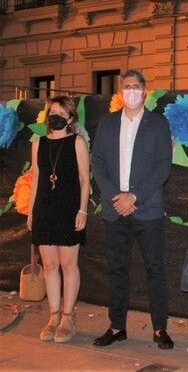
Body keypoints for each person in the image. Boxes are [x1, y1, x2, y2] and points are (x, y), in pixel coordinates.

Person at [92, 69, 174, 349]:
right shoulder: (107, 123)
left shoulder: (158, 124)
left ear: (145, 90)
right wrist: (116, 196)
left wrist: (134, 196)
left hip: (147, 209)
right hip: (115, 208)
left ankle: (160, 328)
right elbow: (98, 162)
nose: (131, 91)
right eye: (126, 86)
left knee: (155, 269)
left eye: (136, 86)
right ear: (120, 91)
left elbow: (163, 166)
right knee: (117, 269)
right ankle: (117, 327)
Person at [27, 96, 90, 343]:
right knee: (50, 265)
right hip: (44, 209)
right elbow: (36, 179)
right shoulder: (38, 144)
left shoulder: (77, 142)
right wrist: (31, 211)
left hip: (69, 209)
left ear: (71, 119)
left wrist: (82, 210)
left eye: (62, 113)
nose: (56, 116)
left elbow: (84, 180)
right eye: (53, 112)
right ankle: (53, 316)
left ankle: (67, 316)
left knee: (68, 264)